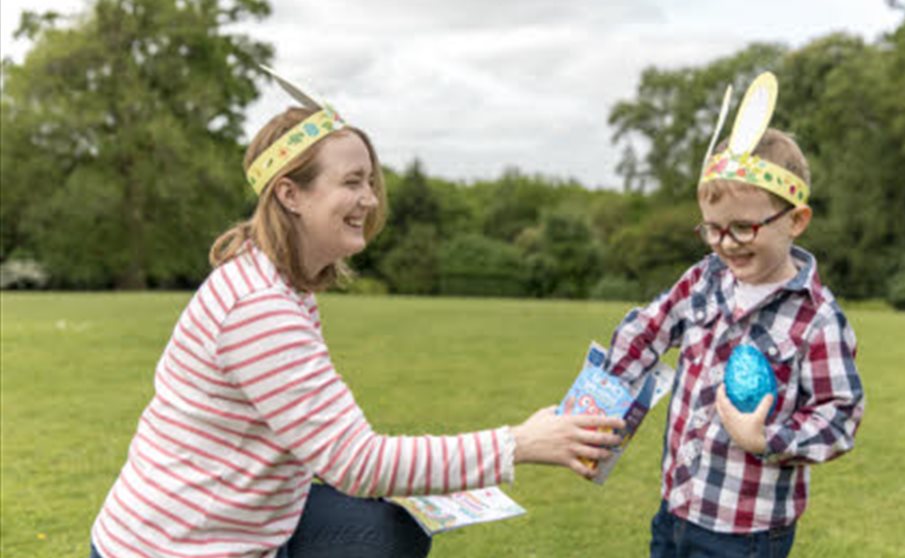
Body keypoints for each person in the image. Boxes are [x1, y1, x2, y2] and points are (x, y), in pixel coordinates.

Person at [89, 68, 625, 558]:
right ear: (290, 195)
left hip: (245, 526)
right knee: (382, 531)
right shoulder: (259, 309)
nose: (369, 199)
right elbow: (354, 461)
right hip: (170, 547)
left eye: (369, 181)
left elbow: (328, 443)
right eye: (351, 182)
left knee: (391, 529)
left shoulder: (282, 285)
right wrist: (520, 443)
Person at [604, 73, 864, 558]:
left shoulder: (817, 319)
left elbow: (840, 415)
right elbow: (648, 330)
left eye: (742, 228)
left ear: (795, 220)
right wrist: (603, 396)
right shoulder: (704, 279)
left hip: (748, 533)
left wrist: (766, 437)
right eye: (713, 229)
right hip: (677, 508)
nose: (725, 244)